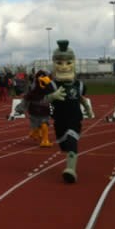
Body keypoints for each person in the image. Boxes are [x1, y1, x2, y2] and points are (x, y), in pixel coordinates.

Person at [46, 40, 95, 183]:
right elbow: (42, 100)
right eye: (60, 63)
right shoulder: (52, 85)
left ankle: (71, 170)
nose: (64, 66)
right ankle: (69, 158)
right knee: (64, 145)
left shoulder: (79, 85)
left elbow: (80, 98)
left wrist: (87, 108)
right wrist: (51, 97)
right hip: (59, 120)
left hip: (74, 119)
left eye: (68, 62)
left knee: (72, 141)